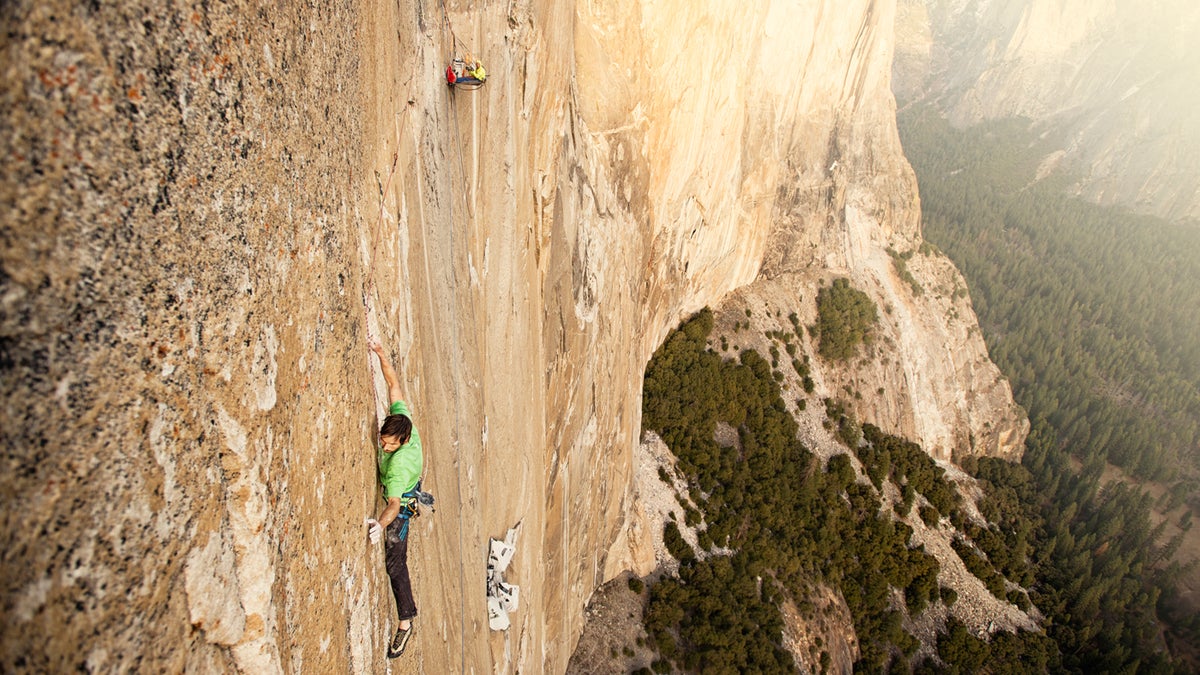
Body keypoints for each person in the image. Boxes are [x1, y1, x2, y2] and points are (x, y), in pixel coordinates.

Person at [364, 340, 423, 659]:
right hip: (407, 486)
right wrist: (382, 354)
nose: (384, 448)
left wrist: (379, 525)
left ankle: (405, 622)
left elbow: (393, 506)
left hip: (402, 499)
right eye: (381, 443)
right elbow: (393, 385)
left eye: (389, 446)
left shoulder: (398, 466)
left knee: (395, 562)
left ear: (402, 442)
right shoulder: (402, 418)